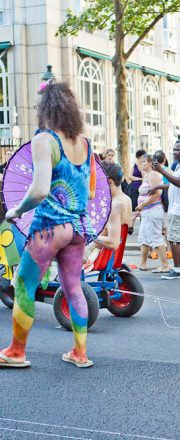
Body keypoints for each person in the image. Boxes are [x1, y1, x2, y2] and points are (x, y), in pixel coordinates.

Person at [0, 81, 96, 368]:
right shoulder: (84, 143)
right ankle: (80, 353)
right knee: (73, 287)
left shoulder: (44, 140)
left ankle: (16, 352)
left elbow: (40, 189)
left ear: (45, 109)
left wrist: (15, 210)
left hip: (48, 229)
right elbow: (89, 192)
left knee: (24, 285)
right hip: (78, 228)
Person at [152, 140, 180, 279]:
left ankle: (176, 270)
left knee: (174, 240)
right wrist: (158, 187)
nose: (174, 152)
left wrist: (161, 171)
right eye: (173, 149)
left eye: (178, 150)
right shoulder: (179, 165)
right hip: (178, 208)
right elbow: (173, 184)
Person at [83, 162, 133, 271]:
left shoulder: (114, 207)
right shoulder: (126, 199)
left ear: (109, 182)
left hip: (93, 254)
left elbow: (113, 243)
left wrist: (88, 234)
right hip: (102, 253)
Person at [136, 155, 170, 273]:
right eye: (140, 162)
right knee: (144, 236)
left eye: (144, 161)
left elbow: (157, 193)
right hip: (147, 211)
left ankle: (165, 265)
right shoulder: (146, 175)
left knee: (155, 237)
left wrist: (143, 205)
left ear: (150, 163)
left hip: (153, 210)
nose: (141, 164)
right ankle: (143, 263)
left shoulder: (153, 175)